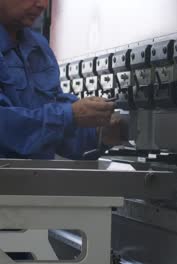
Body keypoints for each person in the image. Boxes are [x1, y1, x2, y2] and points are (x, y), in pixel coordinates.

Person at [0, 0, 126, 160]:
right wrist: (71, 115)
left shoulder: (38, 46)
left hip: (32, 179)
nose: (42, 5)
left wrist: (99, 134)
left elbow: (56, 133)